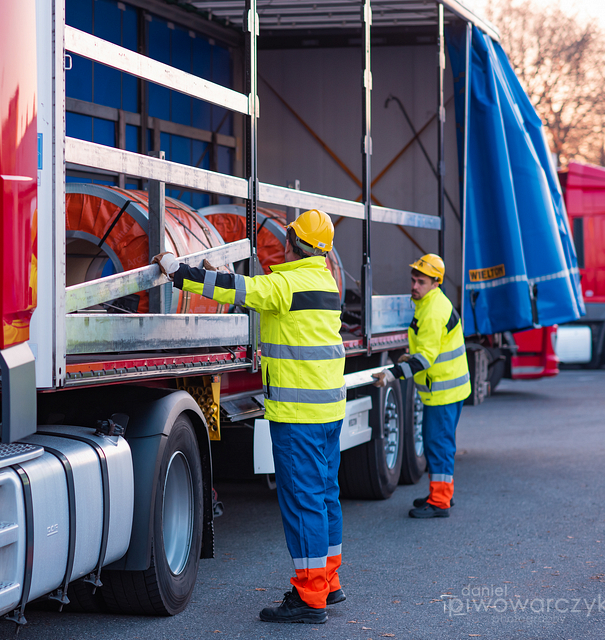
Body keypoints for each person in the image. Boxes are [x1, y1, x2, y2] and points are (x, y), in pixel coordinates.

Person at [153, 209, 346, 624]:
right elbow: (264, 293)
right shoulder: (324, 281)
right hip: (328, 411)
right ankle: (327, 583)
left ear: (294, 242)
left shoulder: (286, 284)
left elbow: (235, 289)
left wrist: (178, 272)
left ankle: (310, 598)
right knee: (325, 497)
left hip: (298, 415)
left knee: (303, 501)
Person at [372, 254, 471, 518]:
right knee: (439, 444)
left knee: (437, 445)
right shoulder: (431, 302)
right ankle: (442, 495)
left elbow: (425, 360)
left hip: (443, 391)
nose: (415, 286)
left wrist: (392, 374)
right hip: (447, 388)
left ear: (436, 283)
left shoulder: (432, 311)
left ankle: (439, 503)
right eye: (414, 280)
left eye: (421, 282)